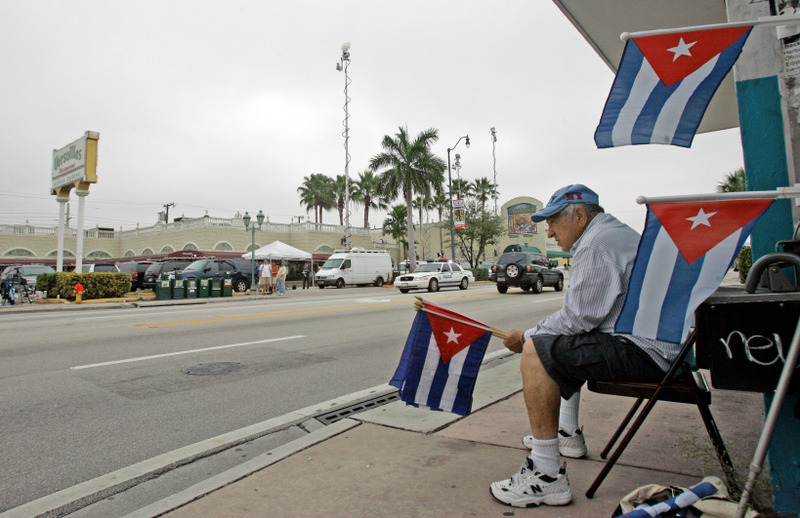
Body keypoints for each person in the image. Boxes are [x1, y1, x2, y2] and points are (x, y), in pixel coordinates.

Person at [490, 184, 680, 509]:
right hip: (662, 347)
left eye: (553, 222)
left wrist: (525, 338)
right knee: (559, 343)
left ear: (579, 215)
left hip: (648, 351)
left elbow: (576, 318)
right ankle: (565, 433)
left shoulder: (596, 244)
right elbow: (582, 321)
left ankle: (546, 475)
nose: (550, 232)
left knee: (538, 351)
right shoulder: (610, 234)